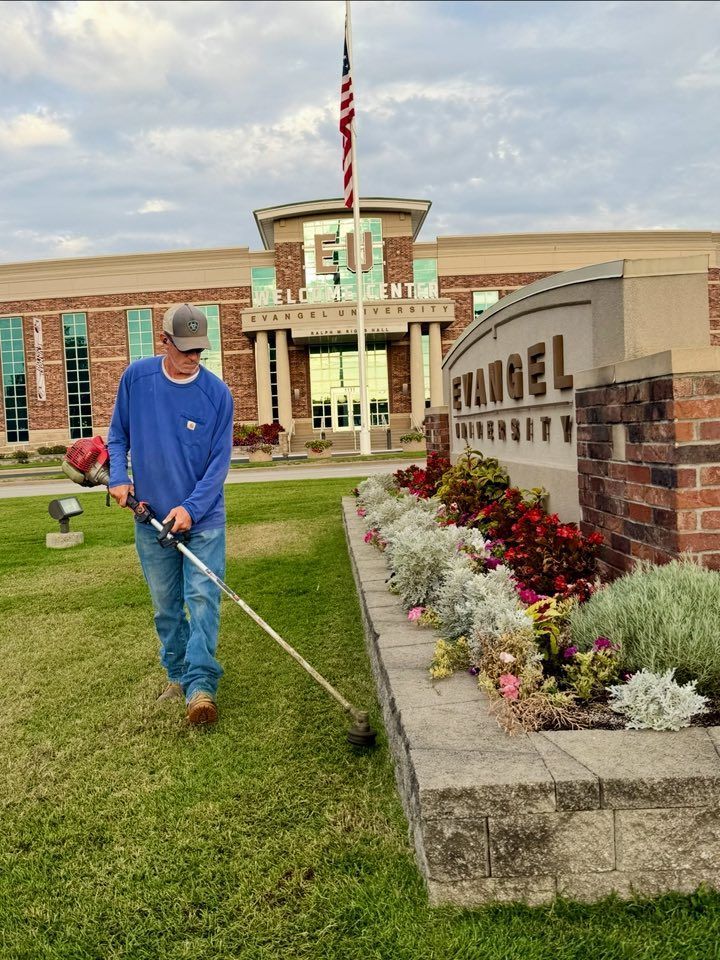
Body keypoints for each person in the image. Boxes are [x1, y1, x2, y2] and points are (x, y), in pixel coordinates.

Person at [107, 303, 234, 726]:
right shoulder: (136, 379)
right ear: (163, 342)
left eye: (200, 350)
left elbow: (219, 464)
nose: (193, 358)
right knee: (166, 606)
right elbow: (118, 435)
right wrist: (119, 477)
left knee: (202, 601)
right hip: (152, 518)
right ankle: (178, 676)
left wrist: (192, 508)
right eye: (185, 350)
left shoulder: (217, 394)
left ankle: (201, 686)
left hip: (204, 520)